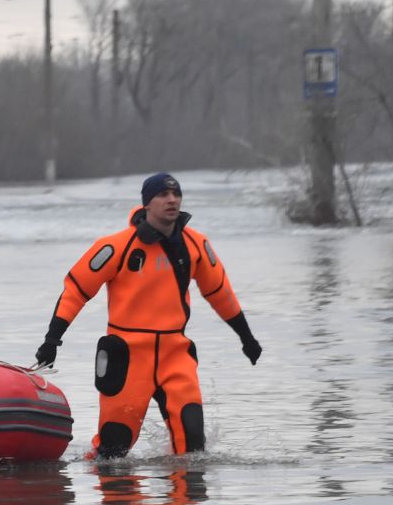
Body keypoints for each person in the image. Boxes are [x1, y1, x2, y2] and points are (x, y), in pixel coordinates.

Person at [34, 172, 260, 458]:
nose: (172, 200)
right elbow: (76, 290)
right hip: (126, 357)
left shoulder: (196, 245)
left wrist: (247, 338)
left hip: (175, 355)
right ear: (146, 204)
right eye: (163, 195)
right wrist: (52, 340)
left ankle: (184, 500)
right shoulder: (116, 246)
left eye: (176, 194)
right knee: (112, 453)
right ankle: (111, 495)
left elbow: (220, 293)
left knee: (193, 449)